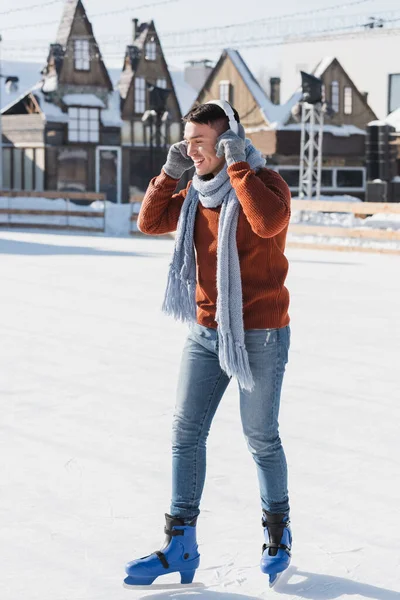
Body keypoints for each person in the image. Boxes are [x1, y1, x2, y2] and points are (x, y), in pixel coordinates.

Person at [124, 100, 292, 588]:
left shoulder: (267, 185)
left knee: (260, 436)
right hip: (205, 330)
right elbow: (151, 222)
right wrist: (170, 172)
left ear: (226, 142)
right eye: (187, 141)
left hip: (259, 332)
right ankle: (181, 544)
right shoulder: (197, 195)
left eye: (199, 142)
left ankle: (277, 533)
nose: (190, 150)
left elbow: (265, 222)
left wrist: (238, 163)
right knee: (185, 433)